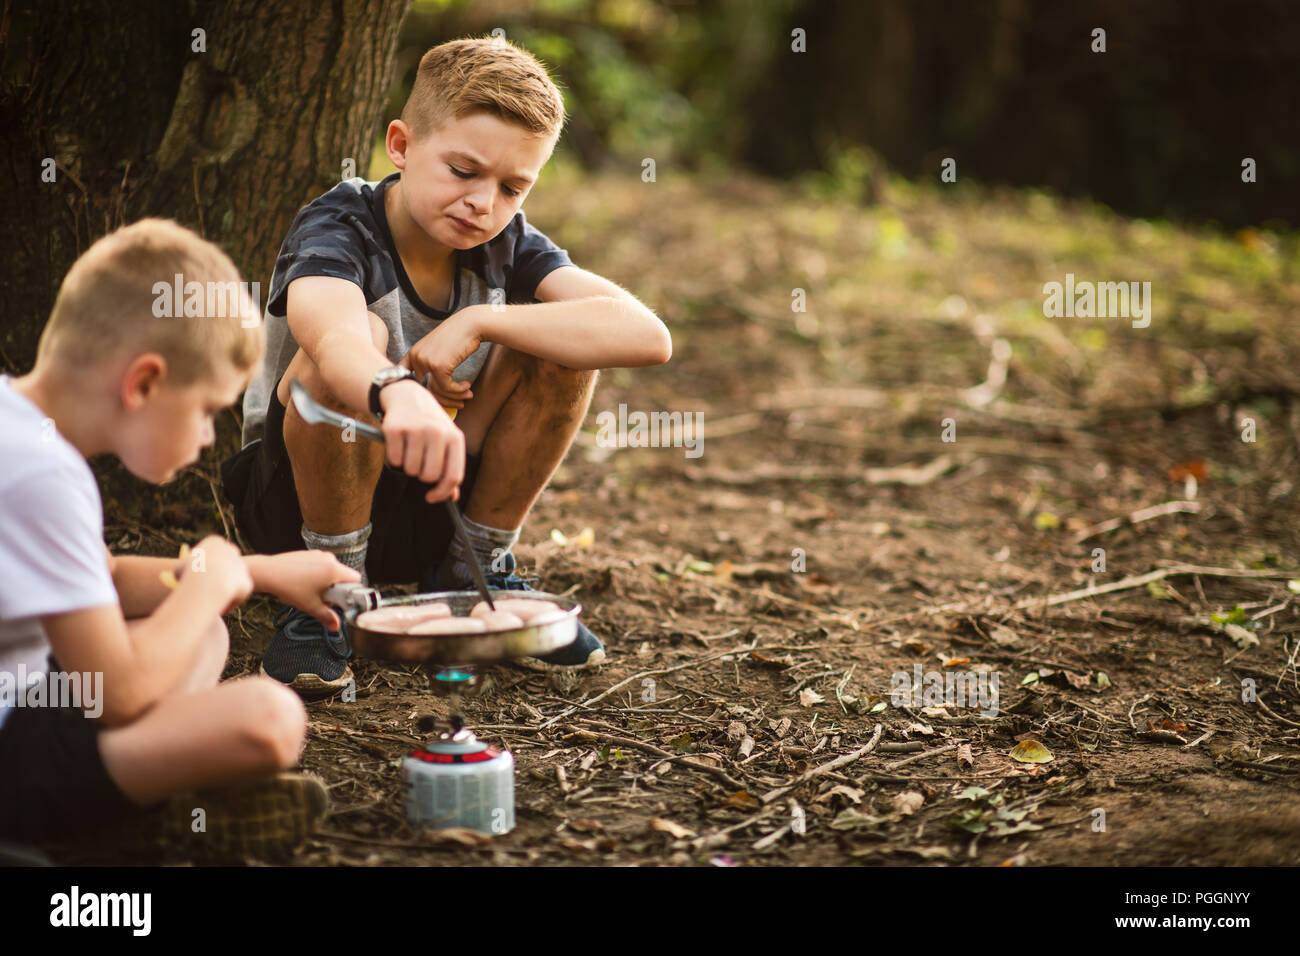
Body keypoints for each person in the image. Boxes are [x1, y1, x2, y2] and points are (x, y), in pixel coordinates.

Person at [221, 36, 672, 698]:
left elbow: (646, 334)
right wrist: (396, 391)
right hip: (300, 503)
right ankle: (332, 594)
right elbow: (336, 335)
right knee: (355, 348)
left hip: (440, 495)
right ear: (400, 146)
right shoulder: (341, 225)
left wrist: (481, 321)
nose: (483, 204)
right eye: (463, 172)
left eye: (513, 187)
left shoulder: (506, 242)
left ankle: (472, 570)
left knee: (556, 339)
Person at [0, 219, 360, 858]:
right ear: (143, 383)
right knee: (269, 720)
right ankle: (116, 826)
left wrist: (257, 574)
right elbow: (120, 694)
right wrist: (206, 580)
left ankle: (132, 797)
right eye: (205, 411)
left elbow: (101, 579)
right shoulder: (46, 476)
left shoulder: (20, 432)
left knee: (209, 629)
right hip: (13, 752)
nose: (205, 438)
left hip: (31, 700)